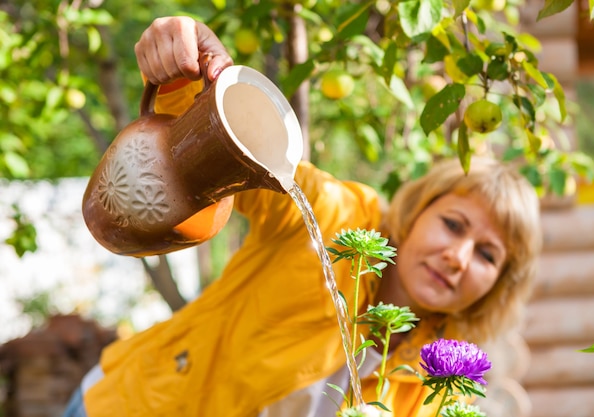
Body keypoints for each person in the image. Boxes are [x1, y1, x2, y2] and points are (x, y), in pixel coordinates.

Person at [64, 16, 543, 417]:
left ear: (500, 283)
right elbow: (233, 154)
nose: (457, 256)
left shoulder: (446, 376)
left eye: (487, 254)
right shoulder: (335, 215)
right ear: (418, 211)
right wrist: (185, 70)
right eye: (454, 224)